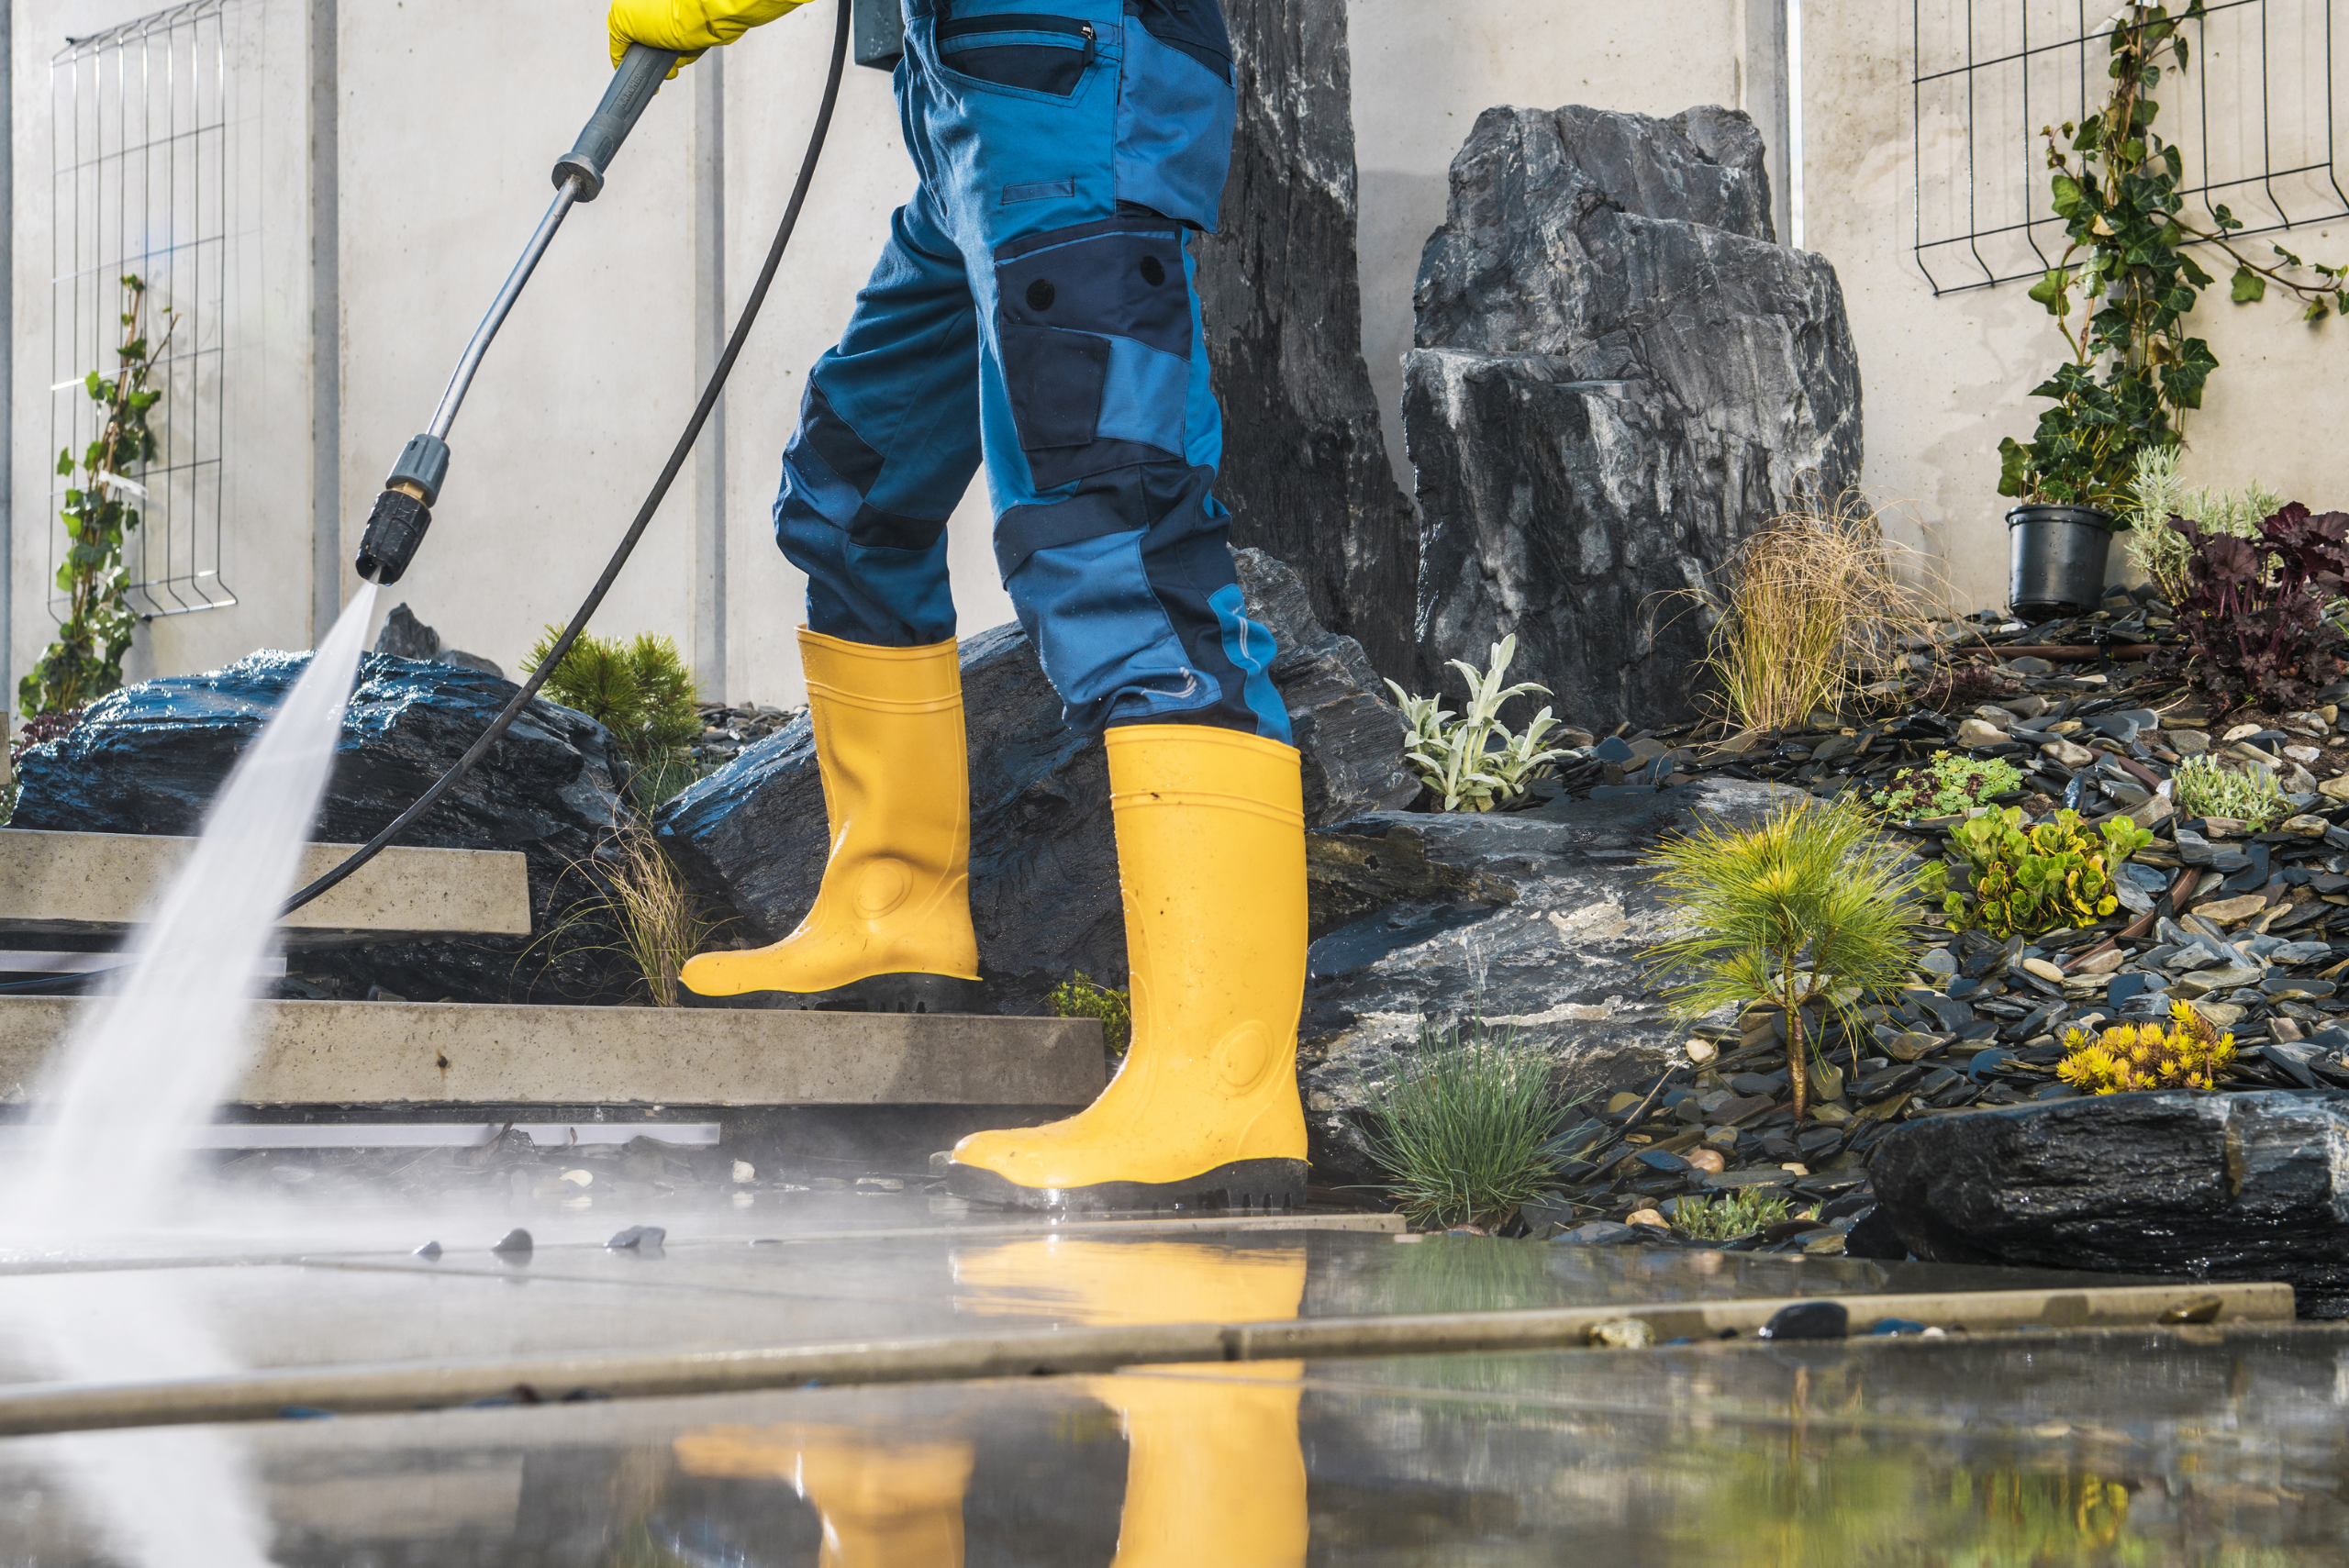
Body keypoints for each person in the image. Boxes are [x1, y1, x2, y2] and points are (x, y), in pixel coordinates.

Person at [605, 0, 1307, 1212]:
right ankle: (891, 907)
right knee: (850, 489)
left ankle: (1219, 1090)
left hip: (1073, 96)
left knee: (1116, 550)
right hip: (968, 112)